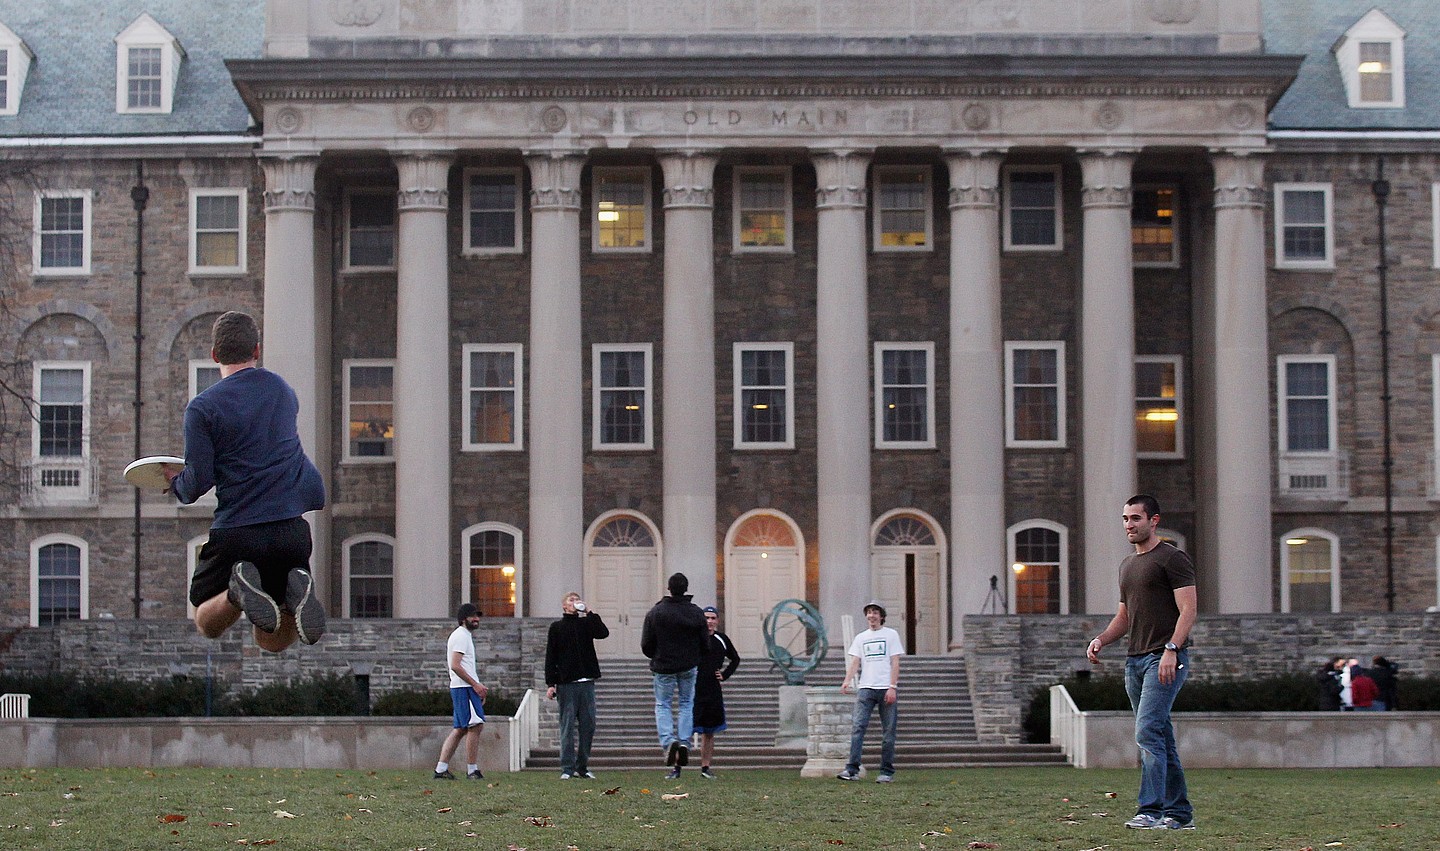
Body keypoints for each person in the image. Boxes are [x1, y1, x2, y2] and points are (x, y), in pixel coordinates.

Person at [163, 311, 327, 653]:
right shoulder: (283, 392)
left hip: (239, 530)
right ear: (257, 350)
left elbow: (198, 480)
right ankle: (293, 595)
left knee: (205, 621)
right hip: (290, 530)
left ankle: (237, 592)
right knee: (271, 642)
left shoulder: (202, 408)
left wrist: (175, 482)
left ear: (213, 356)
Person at [1086, 494, 1197, 831]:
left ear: (1154, 520)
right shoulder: (1127, 565)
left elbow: (1189, 610)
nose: (1129, 525)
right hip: (1134, 661)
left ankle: (1149, 809)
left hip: (1162, 660)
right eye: (1125, 519)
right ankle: (1179, 815)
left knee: (1148, 730)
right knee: (1160, 735)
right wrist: (1102, 639)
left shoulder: (1172, 559)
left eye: (1136, 518)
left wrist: (1172, 650)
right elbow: (1125, 615)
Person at [640, 572, 709, 780]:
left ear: (669, 588)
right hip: (688, 665)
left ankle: (669, 741)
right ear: (686, 588)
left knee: (663, 705)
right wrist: (695, 656)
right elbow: (705, 643)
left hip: (664, 666)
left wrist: (657, 656)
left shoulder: (656, 612)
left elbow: (646, 643)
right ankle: (685, 742)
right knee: (687, 703)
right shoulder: (696, 613)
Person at [544, 591, 609, 780]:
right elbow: (551, 656)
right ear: (564, 606)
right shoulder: (557, 627)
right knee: (567, 726)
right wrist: (551, 683)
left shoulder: (586, 624)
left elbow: (603, 633)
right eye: (571, 600)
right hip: (566, 683)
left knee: (588, 725)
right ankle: (567, 767)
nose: (574, 603)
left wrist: (589, 612)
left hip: (586, 681)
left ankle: (583, 766)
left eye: (577, 600)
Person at [836, 602, 903, 783]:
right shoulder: (861, 638)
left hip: (885, 688)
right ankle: (852, 770)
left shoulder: (890, 635)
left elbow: (895, 662)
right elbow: (855, 662)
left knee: (888, 732)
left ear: (881, 616)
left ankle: (886, 772)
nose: (871, 616)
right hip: (866, 688)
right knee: (858, 727)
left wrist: (892, 687)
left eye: (875, 612)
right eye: (869, 613)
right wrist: (847, 680)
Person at [434, 603, 487, 780]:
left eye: (478, 616)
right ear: (464, 619)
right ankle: (472, 770)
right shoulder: (461, 636)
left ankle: (441, 769)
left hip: (464, 687)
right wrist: (475, 685)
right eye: (473, 616)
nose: (477, 619)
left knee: (461, 728)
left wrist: (477, 685)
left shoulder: (464, 636)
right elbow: (455, 665)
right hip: (464, 688)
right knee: (475, 725)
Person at [693, 606, 741, 779]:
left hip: (713, 689)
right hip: (694, 688)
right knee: (686, 729)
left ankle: (705, 766)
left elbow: (735, 658)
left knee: (709, 731)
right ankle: (677, 767)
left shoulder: (721, 639)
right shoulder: (695, 638)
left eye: (713, 618)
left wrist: (725, 674)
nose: (710, 621)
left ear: (717, 621)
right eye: (706, 618)